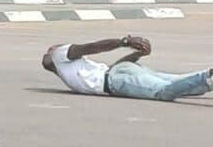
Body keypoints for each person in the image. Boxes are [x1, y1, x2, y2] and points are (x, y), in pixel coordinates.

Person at [41, 35, 213, 101]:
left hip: (115, 80)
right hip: (118, 72)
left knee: (163, 92)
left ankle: (208, 77)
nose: (49, 50)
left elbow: (93, 48)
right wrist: (136, 53)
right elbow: (96, 51)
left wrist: (125, 43)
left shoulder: (61, 57)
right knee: (180, 84)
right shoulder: (60, 60)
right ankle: (207, 79)